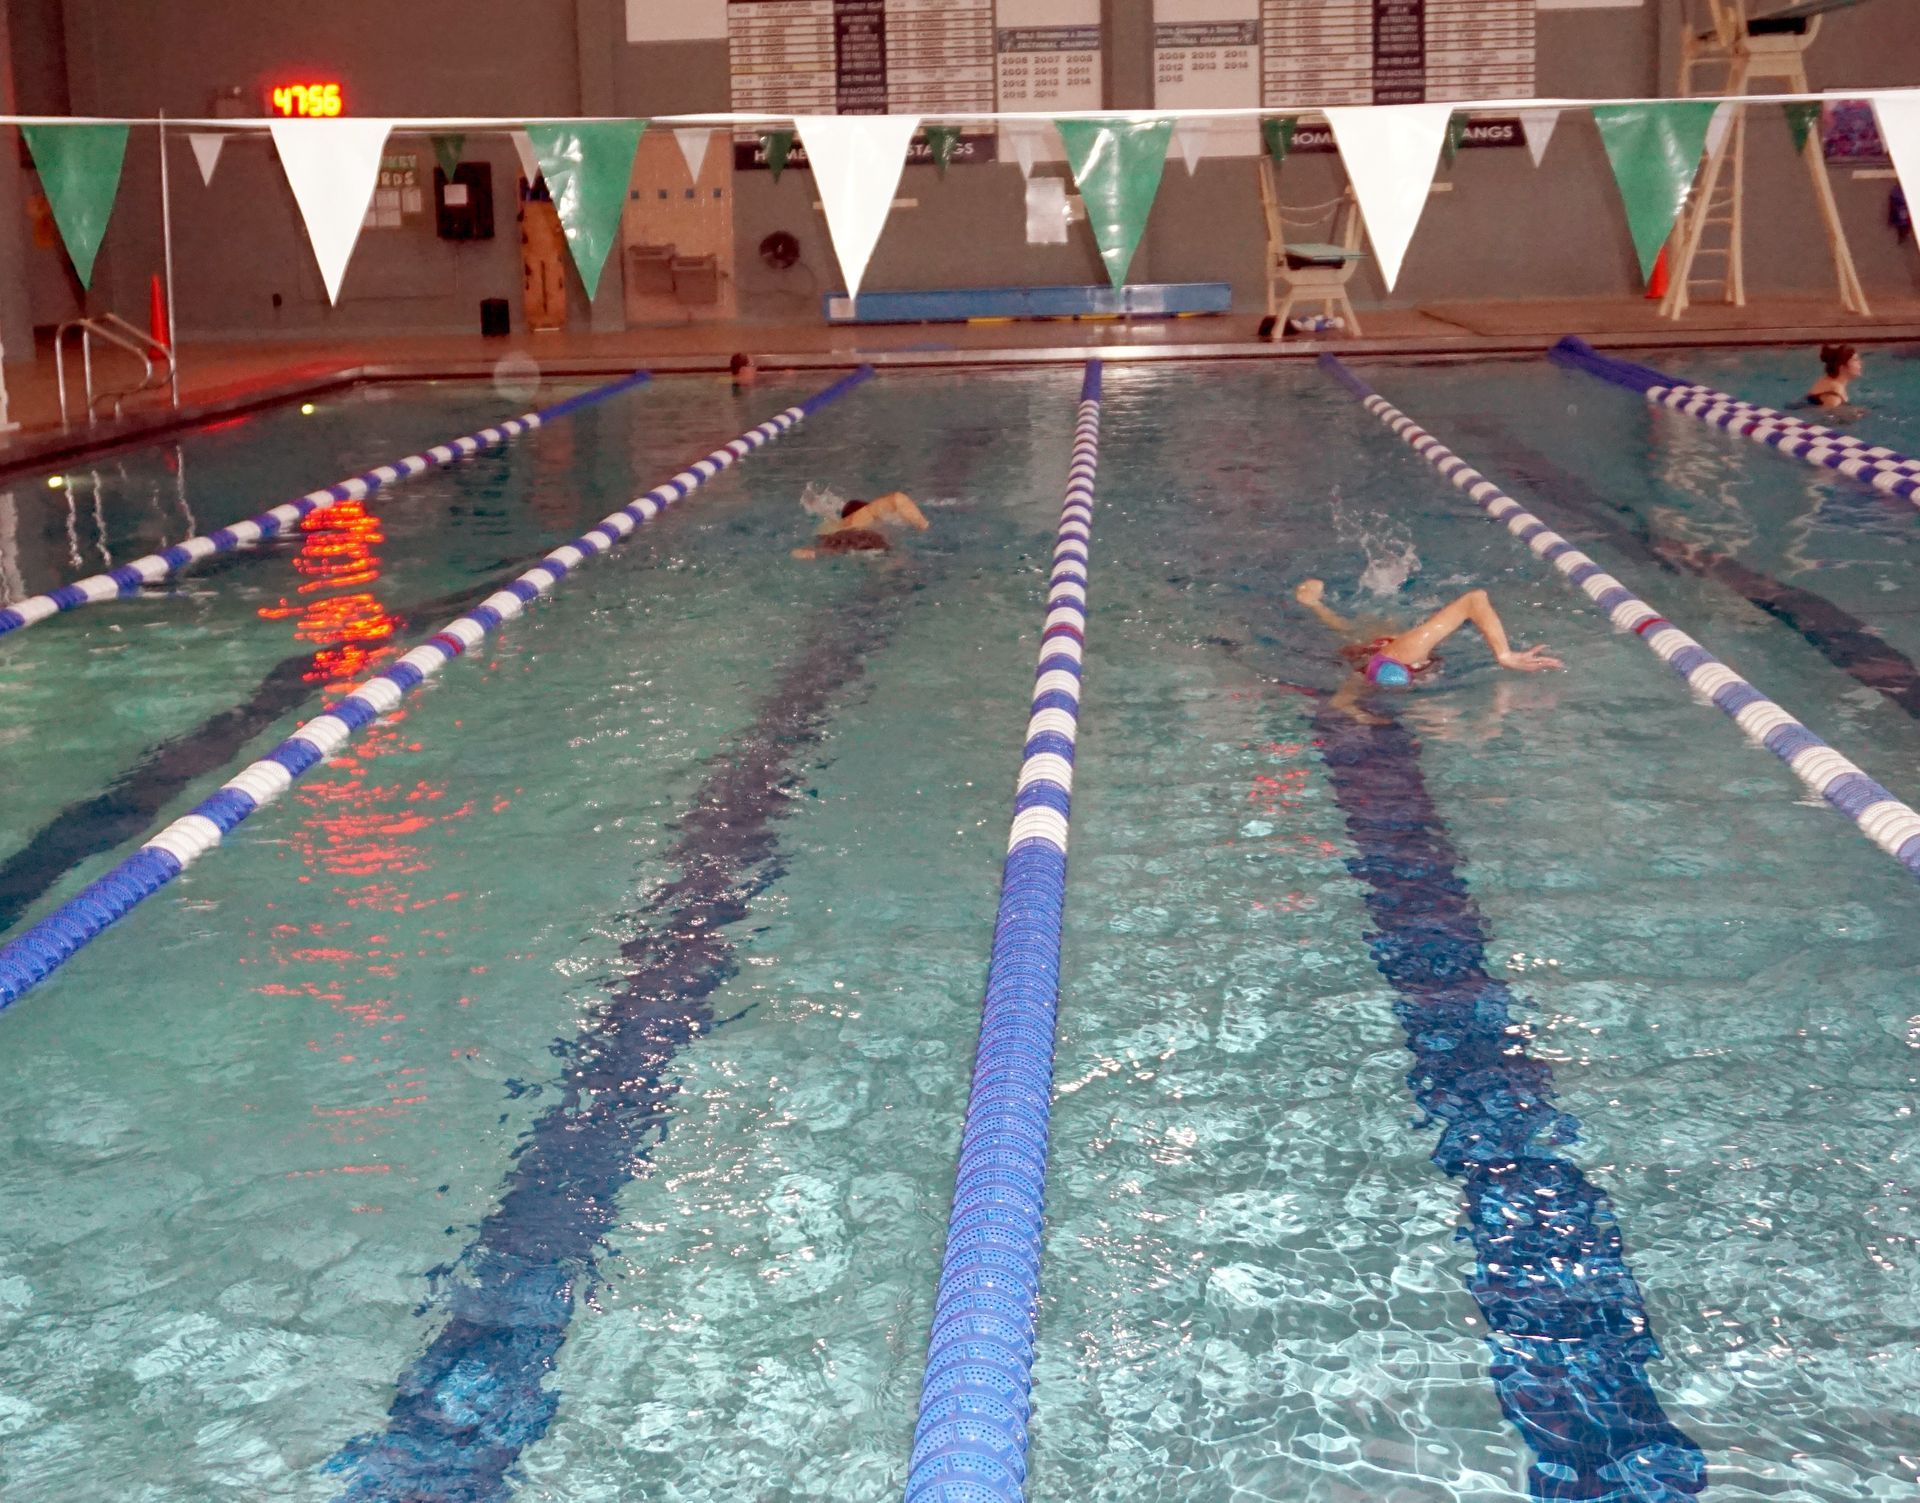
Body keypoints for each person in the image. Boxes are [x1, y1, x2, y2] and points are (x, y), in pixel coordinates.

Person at [1294, 578, 1561, 694]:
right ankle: (1315, 604)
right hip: (1379, 654)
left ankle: (1315, 604)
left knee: (1363, 628)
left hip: (1388, 649)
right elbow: (1344, 702)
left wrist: (1504, 655)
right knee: (1354, 632)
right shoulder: (1373, 672)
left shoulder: (1405, 651)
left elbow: (1474, 599)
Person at [792, 491, 929, 560]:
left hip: (838, 540)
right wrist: (922, 524)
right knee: (891, 560)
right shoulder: (866, 512)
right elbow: (897, 498)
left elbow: (821, 539)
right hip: (865, 537)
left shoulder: (833, 524)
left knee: (828, 550)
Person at [1806, 343, 1861, 409]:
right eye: (1855, 360)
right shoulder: (1834, 395)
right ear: (1842, 367)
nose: (1860, 363)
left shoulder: (1829, 382)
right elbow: (1825, 417)